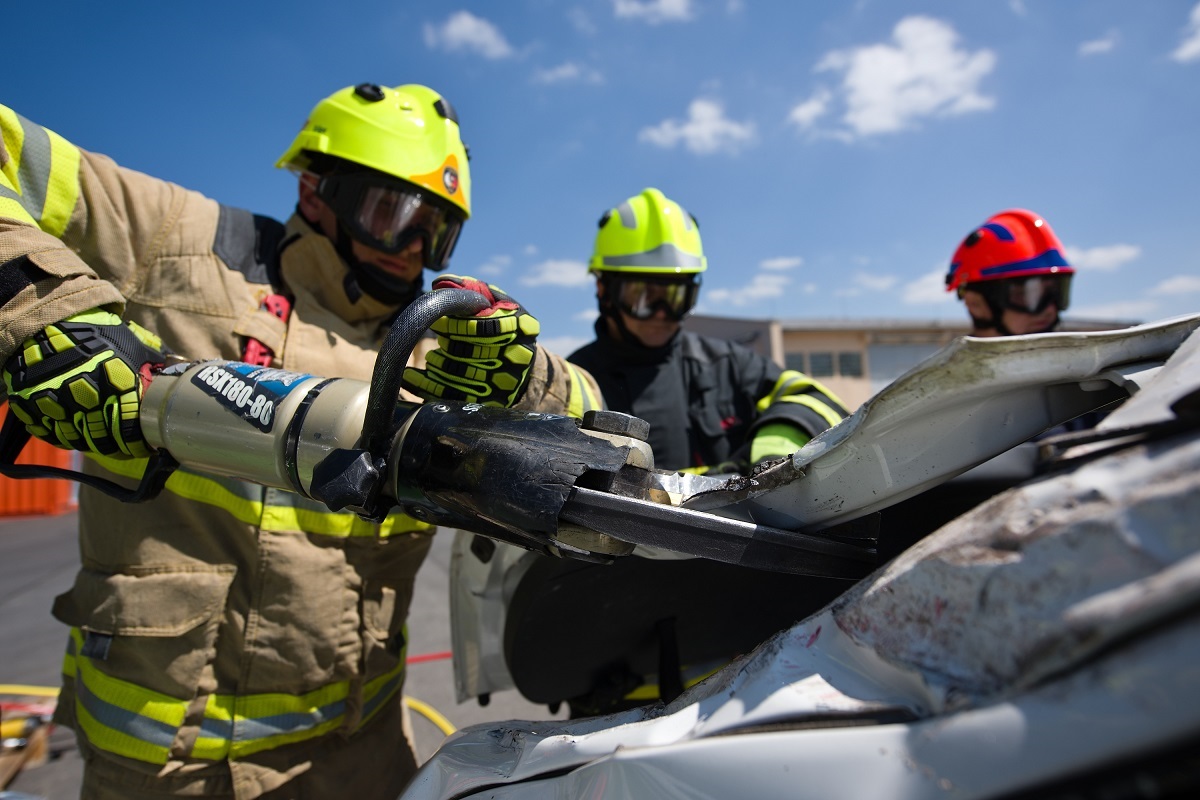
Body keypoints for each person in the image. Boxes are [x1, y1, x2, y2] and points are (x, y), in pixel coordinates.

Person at [0, 84, 599, 800]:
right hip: (163, 771)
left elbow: (595, 415)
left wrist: (524, 378)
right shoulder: (171, 241)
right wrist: (39, 309)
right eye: (392, 215)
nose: (412, 251)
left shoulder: (443, 348)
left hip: (360, 761)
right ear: (317, 190)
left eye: (435, 233)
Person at [568, 187, 848, 475]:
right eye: (643, 297)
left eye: (677, 296)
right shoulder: (573, 382)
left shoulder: (728, 364)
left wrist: (772, 455)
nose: (663, 312)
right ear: (604, 290)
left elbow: (820, 402)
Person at [945, 208, 1075, 337]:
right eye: (1026, 294)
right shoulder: (954, 359)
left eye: (1056, 293)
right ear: (975, 303)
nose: (1049, 310)